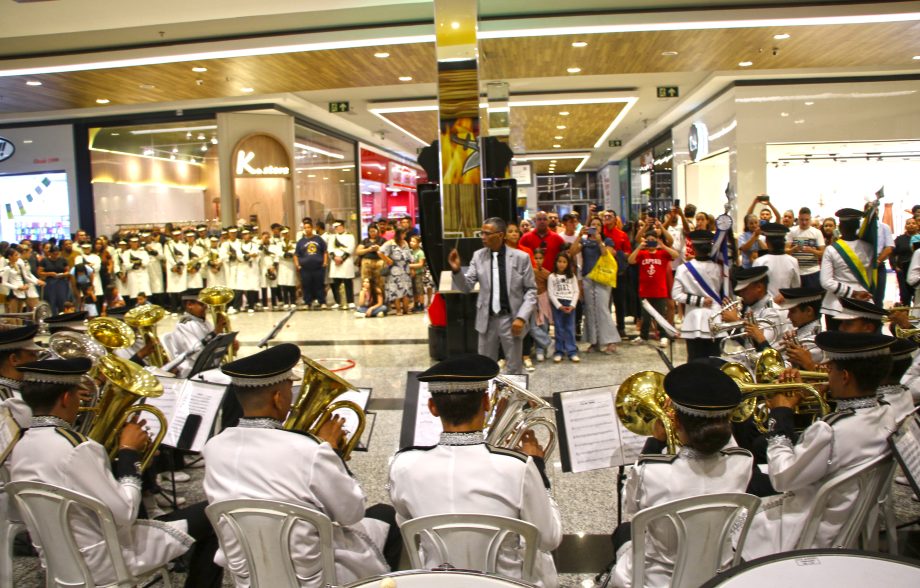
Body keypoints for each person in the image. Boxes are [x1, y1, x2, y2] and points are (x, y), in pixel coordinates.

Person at [9, 357, 223, 587]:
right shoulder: (77, 447)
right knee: (213, 513)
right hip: (107, 559)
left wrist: (132, 462)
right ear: (65, 398)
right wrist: (129, 453)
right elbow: (126, 513)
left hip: (58, 559)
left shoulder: (21, 445)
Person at [203, 344, 398, 587]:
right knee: (386, 515)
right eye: (290, 389)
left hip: (249, 573)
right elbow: (351, 513)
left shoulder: (213, 447)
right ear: (277, 397)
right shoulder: (310, 450)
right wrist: (333, 452)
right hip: (315, 576)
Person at [388, 355, 562, 587]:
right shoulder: (517, 467)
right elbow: (549, 539)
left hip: (436, 582)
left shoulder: (402, 465)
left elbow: (405, 521)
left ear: (432, 408)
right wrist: (538, 469)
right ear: (487, 403)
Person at [743, 331, 898, 559]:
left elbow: (782, 477)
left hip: (809, 527)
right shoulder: (886, 411)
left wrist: (781, 413)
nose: (825, 372)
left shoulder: (831, 430)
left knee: (746, 481)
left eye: (830, 369)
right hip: (843, 512)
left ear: (845, 377)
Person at [605, 362, 752, 588]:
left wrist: (655, 441)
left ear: (676, 421)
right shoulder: (743, 461)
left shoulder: (652, 471)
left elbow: (631, 508)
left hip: (659, 580)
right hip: (719, 574)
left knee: (624, 532)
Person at [448, 217, 537, 375]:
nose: (482, 237)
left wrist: (522, 317)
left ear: (500, 235)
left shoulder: (521, 258)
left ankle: (512, 399)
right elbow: (466, 287)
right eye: (481, 233)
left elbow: (531, 290)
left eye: (487, 233)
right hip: (487, 320)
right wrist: (456, 270)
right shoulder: (478, 256)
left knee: (514, 367)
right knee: (484, 366)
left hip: (512, 319)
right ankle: (486, 398)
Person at [671, 230, 724, 361]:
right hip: (715, 318)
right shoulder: (720, 268)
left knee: (695, 360)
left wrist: (699, 301)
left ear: (692, 247)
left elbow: (676, 295)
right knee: (715, 361)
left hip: (693, 320)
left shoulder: (683, 269)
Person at [820, 208, 875, 330]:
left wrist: (852, 294)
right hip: (863, 303)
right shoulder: (869, 247)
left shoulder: (831, 249)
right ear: (857, 226)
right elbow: (870, 278)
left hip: (836, 304)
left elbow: (826, 282)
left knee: (836, 345)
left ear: (840, 226)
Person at [574, 217, 619, 354]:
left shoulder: (607, 241)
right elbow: (572, 252)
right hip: (588, 277)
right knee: (590, 310)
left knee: (602, 309)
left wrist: (599, 241)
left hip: (602, 277)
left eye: (598, 225)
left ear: (601, 227)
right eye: (593, 225)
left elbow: (607, 254)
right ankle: (594, 342)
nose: (595, 226)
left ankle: (611, 341)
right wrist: (579, 236)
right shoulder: (584, 241)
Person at [719, 266, 786, 357]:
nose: (741, 294)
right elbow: (746, 343)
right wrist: (731, 325)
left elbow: (762, 343)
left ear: (759, 287)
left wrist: (736, 321)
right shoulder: (752, 307)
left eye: (744, 290)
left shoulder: (772, 311)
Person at [628, 229, 678, 347]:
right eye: (648, 240)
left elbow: (675, 255)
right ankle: (643, 336)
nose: (650, 242)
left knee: (661, 315)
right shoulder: (642, 254)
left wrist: (663, 246)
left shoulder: (662, 254)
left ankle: (663, 336)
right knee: (645, 316)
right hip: (645, 290)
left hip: (660, 291)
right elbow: (630, 260)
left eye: (653, 240)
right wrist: (639, 247)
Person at [168, 295, 237, 378]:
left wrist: (230, 345)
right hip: (192, 370)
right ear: (190, 305)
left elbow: (214, 348)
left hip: (208, 367)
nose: (206, 307)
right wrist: (215, 333)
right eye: (202, 304)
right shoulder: (184, 325)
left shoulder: (205, 322)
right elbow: (196, 353)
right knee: (229, 379)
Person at [774, 287, 824, 371]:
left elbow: (788, 365)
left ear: (809, 311)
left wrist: (762, 341)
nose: (788, 316)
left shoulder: (815, 339)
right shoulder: (799, 331)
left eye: (792, 311)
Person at [753, 222, 800, 301]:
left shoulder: (760, 262)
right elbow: (796, 287)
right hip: (786, 307)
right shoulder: (793, 261)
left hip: (764, 309)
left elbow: (754, 289)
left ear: (767, 242)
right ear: (783, 242)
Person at [548, 252, 580, 363]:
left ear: (568, 264)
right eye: (559, 261)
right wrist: (559, 306)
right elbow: (551, 293)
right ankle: (559, 351)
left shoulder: (572, 276)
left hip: (570, 303)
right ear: (556, 262)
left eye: (564, 262)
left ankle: (572, 351)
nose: (561, 264)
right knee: (559, 328)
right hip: (558, 304)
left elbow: (576, 291)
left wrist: (572, 305)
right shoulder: (552, 277)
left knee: (570, 328)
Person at [786, 207, 825, 290]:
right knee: (796, 300)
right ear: (798, 218)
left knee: (813, 299)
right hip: (796, 272)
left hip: (812, 271)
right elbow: (785, 251)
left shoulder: (817, 232)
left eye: (806, 220)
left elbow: (823, 253)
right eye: (801, 219)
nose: (804, 222)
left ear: (810, 219)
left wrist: (812, 250)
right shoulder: (791, 231)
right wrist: (794, 249)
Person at [378, 227, 414, 316]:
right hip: (394, 269)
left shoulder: (405, 243)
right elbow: (380, 252)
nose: (405, 236)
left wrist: (412, 268)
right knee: (396, 290)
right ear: (398, 234)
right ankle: (398, 310)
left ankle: (406, 309)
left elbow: (409, 256)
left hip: (405, 269)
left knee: (406, 289)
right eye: (403, 234)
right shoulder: (390, 243)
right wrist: (387, 259)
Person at [0, 324, 42, 400]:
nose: (37, 359)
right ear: (14, 359)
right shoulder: (7, 400)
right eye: (32, 354)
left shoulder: (25, 388)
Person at [295, 221, 328, 309]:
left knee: (319, 285)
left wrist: (325, 262)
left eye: (308, 227)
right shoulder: (301, 242)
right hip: (305, 268)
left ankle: (322, 302)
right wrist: (297, 265)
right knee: (306, 285)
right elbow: (296, 255)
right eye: (305, 228)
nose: (307, 229)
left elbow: (325, 251)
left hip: (318, 267)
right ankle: (307, 302)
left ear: (312, 228)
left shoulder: (318, 239)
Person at [328, 221, 356, 310]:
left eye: (339, 227)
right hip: (335, 261)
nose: (337, 229)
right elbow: (330, 249)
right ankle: (338, 301)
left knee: (348, 282)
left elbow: (351, 248)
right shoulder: (332, 237)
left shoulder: (350, 236)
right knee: (336, 282)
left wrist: (342, 258)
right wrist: (334, 258)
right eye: (336, 227)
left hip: (346, 261)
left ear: (343, 227)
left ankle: (350, 301)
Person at [891, 218, 918, 306]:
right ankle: (904, 317)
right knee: (905, 296)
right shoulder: (899, 239)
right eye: (908, 223)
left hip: (917, 272)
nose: (911, 225)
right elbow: (891, 253)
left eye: (913, 223)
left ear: (917, 225)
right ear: (905, 226)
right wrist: (895, 267)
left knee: (917, 295)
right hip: (903, 272)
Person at [38, 245, 71, 314]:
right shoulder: (44, 260)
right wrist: (49, 273)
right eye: (54, 254)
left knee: (62, 300)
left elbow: (68, 272)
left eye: (57, 254)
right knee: (51, 301)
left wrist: (62, 274)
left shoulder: (63, 260)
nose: (56, 256)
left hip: (61, 282)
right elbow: (39, 272)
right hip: (50, 282)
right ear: (50, 253)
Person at [356, 225, 386, 293]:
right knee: (366, 281)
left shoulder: (382, 240)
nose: (372, 233)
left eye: (374, 231)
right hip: (367, 262)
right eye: (370, 231)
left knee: (379, 281)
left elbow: (387, 251)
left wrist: (379, 248)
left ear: (377, 231)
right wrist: (368, 249)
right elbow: (358, 251)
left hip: (379, 262)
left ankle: (380, 299)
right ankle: (368, 298)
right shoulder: (365, 241)